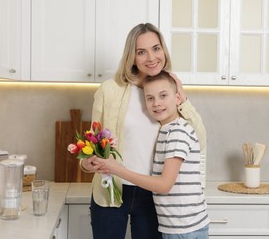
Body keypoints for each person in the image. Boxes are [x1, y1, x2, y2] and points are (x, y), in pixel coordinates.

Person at [79, 23, 207, 239]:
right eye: (141, 52)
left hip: (154, 196)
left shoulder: (167, 90)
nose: (151, 57)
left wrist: (182, 97)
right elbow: (91, 144)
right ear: (132, 56)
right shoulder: (109, 90)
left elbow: (199, 141)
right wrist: (86, 163)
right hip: (111, 192)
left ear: (164, 50)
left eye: (156, 48)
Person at [94, 71, 209, 238]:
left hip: (185, 229)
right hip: (178, 226)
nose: (156, 103)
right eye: (150, 98)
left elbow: (164, 185)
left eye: (163, 96)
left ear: (178, 98)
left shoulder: (177, 132)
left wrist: (117, 169)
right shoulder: (166, 130)